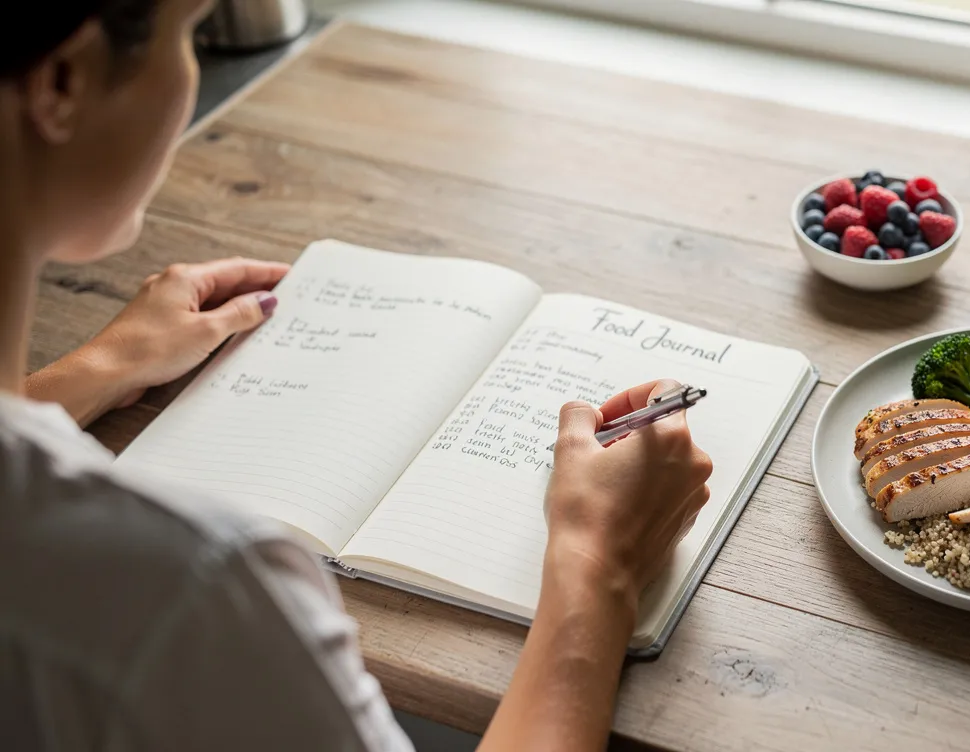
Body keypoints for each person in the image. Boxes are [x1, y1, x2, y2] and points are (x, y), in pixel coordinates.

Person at [0, 1, 714, 749]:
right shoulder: (195, 594)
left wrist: (90, 373)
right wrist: (596, 563)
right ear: (62, 80)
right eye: (188, 30)